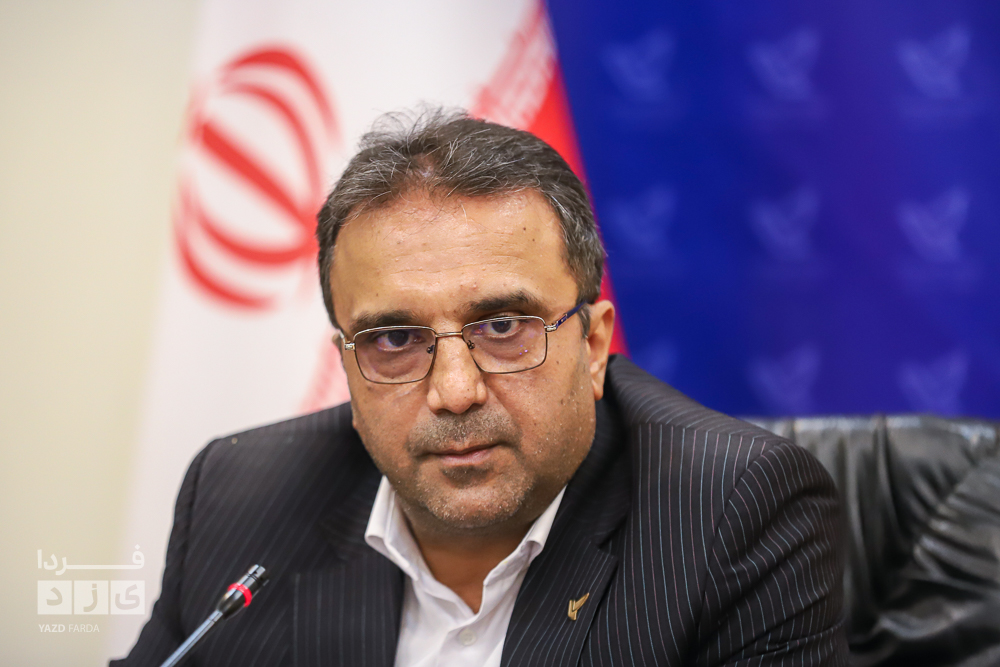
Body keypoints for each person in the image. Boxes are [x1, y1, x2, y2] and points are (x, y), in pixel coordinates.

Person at [113, 111, 847, 666]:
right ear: (347, 365)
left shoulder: (733, 512)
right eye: (394, 340)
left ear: (593, 346)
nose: (456, 391)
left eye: (502, 327)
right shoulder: (240, 494)